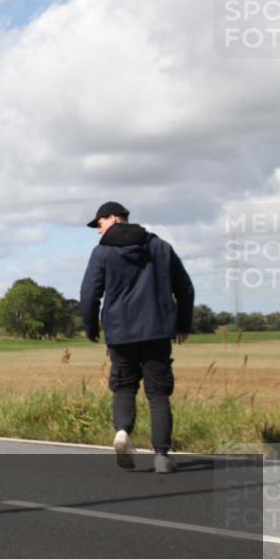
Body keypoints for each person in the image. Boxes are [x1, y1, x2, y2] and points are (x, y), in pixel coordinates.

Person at [79, 201, 194, 473]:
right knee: (158, 393)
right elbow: (185, 288)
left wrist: (91, 328)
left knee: (123, 386)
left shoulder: (102, 252)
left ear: (113, 219)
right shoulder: (160, 247)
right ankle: (162, 457)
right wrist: (182, 324)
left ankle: (122, 433)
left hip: (120, 333)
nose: (98, 230)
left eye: (99, 224)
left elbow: (89, 294)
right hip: (157, 331)